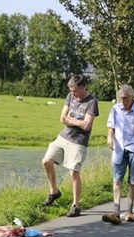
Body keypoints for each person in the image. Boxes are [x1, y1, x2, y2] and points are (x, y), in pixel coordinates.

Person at [41, 74, 98, 217]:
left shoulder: (92, 101)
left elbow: (87, 125)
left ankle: (75, 205)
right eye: (71, 90)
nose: (73, 93)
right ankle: (54, 191)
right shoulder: (70, 96)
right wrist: (77, 121)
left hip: (79, 141)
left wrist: (70, 119)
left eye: (75, 90)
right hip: (63, 136)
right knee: (46, 161)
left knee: (74, 171)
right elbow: (62, 118)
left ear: (83, 87)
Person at [102, 85, 134, 224]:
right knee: (117, 180)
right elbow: (111, 126)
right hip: (119, 149)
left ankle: (129, 211)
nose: (122, 101)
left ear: (131, 97)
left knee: (133, 180)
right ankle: (115, 212)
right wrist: (109, 138)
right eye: (120, 98)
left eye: (125, 98)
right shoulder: (115, 109)